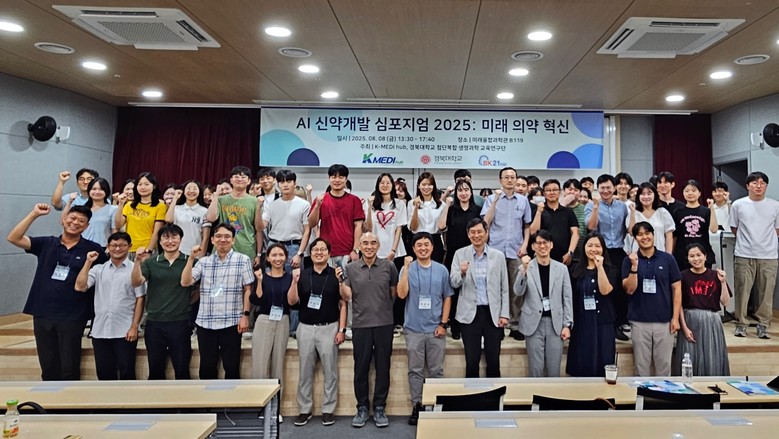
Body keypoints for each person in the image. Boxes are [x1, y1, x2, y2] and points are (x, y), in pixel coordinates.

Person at [7, 203, 106, 380]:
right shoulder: (47, 243)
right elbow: (13, 238)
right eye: (72, 218)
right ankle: (49, 397)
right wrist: (34, 214)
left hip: (74, 315)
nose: (75, 223)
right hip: (43, 312)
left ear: (87, 226)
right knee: (48, 364)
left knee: (69, 366)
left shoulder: (93, 249)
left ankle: (69, 398)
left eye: (81, 221)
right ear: (64, 219)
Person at [339, 232, 398, 428]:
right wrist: (340, 282)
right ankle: (362, 407)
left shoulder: (389, 266)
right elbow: (347, 296)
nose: (369, 246)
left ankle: (380, 407)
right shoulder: (350, 268)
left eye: (373, 243)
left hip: (384, 324)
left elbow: (393, 293)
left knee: (383, 367)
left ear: (378, 245)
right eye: (365, 243)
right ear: (360, 246)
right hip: (361, 324)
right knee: (361, 368)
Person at [182, 223, 254, 379]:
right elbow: (185, 282)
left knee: (231, 367)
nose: (223, 240)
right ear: (212, 240)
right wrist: (191, 259)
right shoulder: (203, 262)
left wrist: (245, 315)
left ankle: (230, 396)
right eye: (219, 236)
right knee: (207, 368)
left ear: (233, 240)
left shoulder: (243, 260)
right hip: (206, 322)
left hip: (232, 322)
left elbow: (248, 289)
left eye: (227, 236)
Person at [289, 238, 347, 427]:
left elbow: (344, 302)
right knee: (305, 372)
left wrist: (341, 329)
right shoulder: (303, 274)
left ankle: (328, 410)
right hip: (305, 328)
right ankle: (304, 409)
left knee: (330, 372)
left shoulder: (336, 274)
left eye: (323, 249)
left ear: (329, 254)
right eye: (315, 249)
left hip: (329, 328)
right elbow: (292, 301)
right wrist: (293, 282)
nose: (319, 252)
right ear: (310, 253)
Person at [397, 232, 453, 425]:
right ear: (413, 249)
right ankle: (417, 405)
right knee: (415, 370)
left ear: (432, 247)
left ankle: (436, 406)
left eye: (426, 244)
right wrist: (405, 268)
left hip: (436, 329)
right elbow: (401, 294)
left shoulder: (441, 270)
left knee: (436, 370)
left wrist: (443, 324)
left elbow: (447, 297)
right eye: (419, 245)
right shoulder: (407, 269)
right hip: (413, 329)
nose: (423, 248)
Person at [75, 232, 145, 380]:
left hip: (125, 330)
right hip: (100, 330)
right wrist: (88, 262)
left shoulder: (135, 269)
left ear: (129, 247)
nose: (117, 249)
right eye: (114, 245)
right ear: (108, 247)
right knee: (104, 373)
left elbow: (140, 298)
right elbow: (80, 287)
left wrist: (134, 326)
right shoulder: (98, 269)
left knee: (127, 373)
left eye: (122, 245)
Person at [449, 218, 509, 378]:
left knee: (493, 361)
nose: (476, 235)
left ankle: (495, 394)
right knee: (472, 361)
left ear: (486, 233)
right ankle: (472, 394)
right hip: (469, 314)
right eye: (473, 232)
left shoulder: (498, 256)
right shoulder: (460, 254)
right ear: (468, 234)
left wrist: (504, 314)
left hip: (492, 314)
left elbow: (504, 288)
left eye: (479, 232)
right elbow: (453, 283)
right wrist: (462, 273)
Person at [131, 224, 192, 379]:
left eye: (174, 237)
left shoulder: (190, 261)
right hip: (154, 322)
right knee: (155, 370)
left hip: (180, 322)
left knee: (182, 369)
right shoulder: (151, 263)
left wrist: (186, 302)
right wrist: (137, 261)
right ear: (159, 241)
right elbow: (137, 282)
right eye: (165, 237)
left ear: (181, 239)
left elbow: (197, 289)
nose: (170, 241)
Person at [622, 222, 682, 376]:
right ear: (635, 238)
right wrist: (634, 267)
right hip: (639, 321)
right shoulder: (629, 260)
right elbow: (629, 289)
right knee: (641, 368)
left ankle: (663, 393)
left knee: (664, 367)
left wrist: (675, 318)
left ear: (654, 235)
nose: (644, 237)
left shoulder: (668, 259)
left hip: (664, 322)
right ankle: (642, 393)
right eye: (640, 234)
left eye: (647, 233)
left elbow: (677, 289)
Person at [481, 167, 532, 341]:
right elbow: (485, 222)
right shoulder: (490, 199)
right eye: (506, 177)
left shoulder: (523, 201)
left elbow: (527, 226)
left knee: (516, 288)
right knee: (496, 288)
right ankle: (498, 323)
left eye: (512, 177)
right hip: (495, 250)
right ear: (500, 180)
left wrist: (525, 245)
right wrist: (495, 200)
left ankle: (515, 324)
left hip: (516, 250)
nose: (510, 180)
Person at [514, 230, 573, 377]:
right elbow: (518, 292)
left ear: (551, 245)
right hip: (533, 323)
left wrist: (567, 325)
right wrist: (524, 271)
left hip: (555, 323)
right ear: (533, 246)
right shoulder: (525, 267)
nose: (542, 246)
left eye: (545, 242)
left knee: (554, 370)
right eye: (538, 243)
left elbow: (567, 298)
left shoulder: (562, 269)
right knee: (535, 370)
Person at [730, 171, 779, 339]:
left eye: (762, 183)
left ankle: (763, 325)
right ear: (747, 186)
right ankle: (741, 324)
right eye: (755, 183)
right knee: (742, 290)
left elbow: (777, 229)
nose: (759, 186)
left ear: (766, 186)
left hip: (769, 255)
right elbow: (734, 228)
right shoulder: (738, 205)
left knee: (766, 292)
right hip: (744, 254)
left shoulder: (775, 205)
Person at [673, 243, 730, 376]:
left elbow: (725, 302)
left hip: (711, 321)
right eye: (692, 256)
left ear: (705, 257)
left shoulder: (716, 275)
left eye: (699, 255)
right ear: (687, 259)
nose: (696, 259)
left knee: (712, 357)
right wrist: (684, 328)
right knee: (690, 357)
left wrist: (723, 282)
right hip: (690, 320)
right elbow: (679, 304)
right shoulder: (682, 276)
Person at [585, 174, 630, 342]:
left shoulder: (622, 207)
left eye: (608, 187)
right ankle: (603, 322)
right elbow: (591, 227)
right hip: (600, 252)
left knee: (618, 289)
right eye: (602, 188)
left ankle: (618, 323)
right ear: (598, 189)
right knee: (602, 288)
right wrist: (596, 207)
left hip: (618, 251)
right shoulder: (591, 205)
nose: (605, 190)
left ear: (614, 188)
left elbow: (627, 229)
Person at [566, 232, 617, 377]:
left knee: (603, 360)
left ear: (603, 249)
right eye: (590, 245)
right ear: (584, 248)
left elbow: (605, 290)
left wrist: (600, 267)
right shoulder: (575, 270)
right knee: (582, 361)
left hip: (603, 322)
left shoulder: (610, 270)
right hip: (582, 322)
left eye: (597, 246)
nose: (593, 249)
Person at [365, 173, 408, 332]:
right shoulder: (372, 203)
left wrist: (393, 250)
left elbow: (399, 229)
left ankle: (395, 321)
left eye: (387, 182)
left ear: (392, 185)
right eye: (381, 183)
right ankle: (377, 319)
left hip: (395, 252)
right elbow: (368, 228)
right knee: (376, 288)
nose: (384, 185)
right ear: (378, 185)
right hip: (375, 252)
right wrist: (369, 207)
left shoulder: (400, 204)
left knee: (394, 287)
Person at [439, 179, 481, 340]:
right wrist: (447, 206)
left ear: (471, 192)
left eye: (466, 190)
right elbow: (441, 226)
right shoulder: (451, 209)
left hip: (473, 254)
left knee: (471, 288)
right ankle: (455, 326)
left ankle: (470, 324)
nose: (463, 193)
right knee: (454, 291)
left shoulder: (477, 210)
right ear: (456, 193)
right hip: (453, 255)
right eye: (460, 190)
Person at [309, 164, 365, 266]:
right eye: (334, 177)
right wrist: (317, 206)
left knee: (347, 277)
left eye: (341, 177)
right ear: (329, 178)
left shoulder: (354, 200)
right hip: (326, 252)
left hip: (348, 252)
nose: (337, 180)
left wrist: (356, 250)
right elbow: (312, 223)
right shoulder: (321, 199)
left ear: (346, 179)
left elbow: (358, 226)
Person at [206, 166, 262, 266]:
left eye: (243, 177)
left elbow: (258, 229)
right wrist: (216, 196)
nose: (240, 179)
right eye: (236, 177)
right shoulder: (221, 199)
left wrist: (258, 254)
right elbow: (210, 218)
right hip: (222, 247)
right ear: (231, 180)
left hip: (246, 249)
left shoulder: (254, 201)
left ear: (249, 181)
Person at [529, 179, 579, 265]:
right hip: (542, 256)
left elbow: (575, 233)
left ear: (560, 192)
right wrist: (539, 212)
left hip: (564, 258)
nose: (552, 192)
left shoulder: (568, 212)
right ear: (544, 193)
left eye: (555, 190)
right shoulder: (538, 211)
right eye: (548, 190)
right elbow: (533, 232)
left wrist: (570, 253)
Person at [116, 172, 167, 255]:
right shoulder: (129, 205)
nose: (143, 187)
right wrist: (121, 204)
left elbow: (157, 232)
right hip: (128, 248)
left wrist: (149, 250)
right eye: (140, 184)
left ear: (154, 186)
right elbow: (118, 225)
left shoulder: (160, 206)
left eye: (146, 184)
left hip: (147, 249)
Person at [672, 179, 718, 271]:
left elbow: (714, 229)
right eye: (687, 191)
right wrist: (671, 253)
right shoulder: (678, 212)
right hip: (682, 254)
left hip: (702, 252)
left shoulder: (706, 211)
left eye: (693, 190)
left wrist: (711, 208)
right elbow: (675, 236)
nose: (690, 193)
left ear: (699, 193)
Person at [64, 177, 117, 248]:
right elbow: (64, 222)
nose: (97, 192)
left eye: (101, 189)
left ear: (106, 191)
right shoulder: (82, 209)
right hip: (81, 246)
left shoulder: (113, 209)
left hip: (103, 247)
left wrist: (112, 246)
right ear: (89, 190)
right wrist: (69, 202)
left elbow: (114, 230)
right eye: (94, 189)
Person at [626, 182, 675, 254]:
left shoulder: (663, 212)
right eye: (643, 194)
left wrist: (668, 256)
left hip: (659, 254)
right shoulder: (633, 213)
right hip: (638, 255)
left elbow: (669, 237)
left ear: (655, 195)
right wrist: (633, 212)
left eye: (649, 194)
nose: (646, 197)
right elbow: (631, 233)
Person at [408, 172, 446, 263]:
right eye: (423, 184)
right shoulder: (411, 203)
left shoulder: (441, 205)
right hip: (417, 239)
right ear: (418, 186)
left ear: (433, 186)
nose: (426, 187)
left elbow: (443, 227)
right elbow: (413, 227)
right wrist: (416, 208)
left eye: (429, 184)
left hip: (435, 240)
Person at [166, 180, 210, 257]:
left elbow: (206, 237)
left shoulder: (204, 211)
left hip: (195, 253)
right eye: (189, 188)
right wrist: (175, 198)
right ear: (183, 191)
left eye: (195, 188)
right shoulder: (176, 208)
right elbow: (168, 219)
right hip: (176, 251)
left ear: (199, 191)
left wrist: (201, 256)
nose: (191, 191)